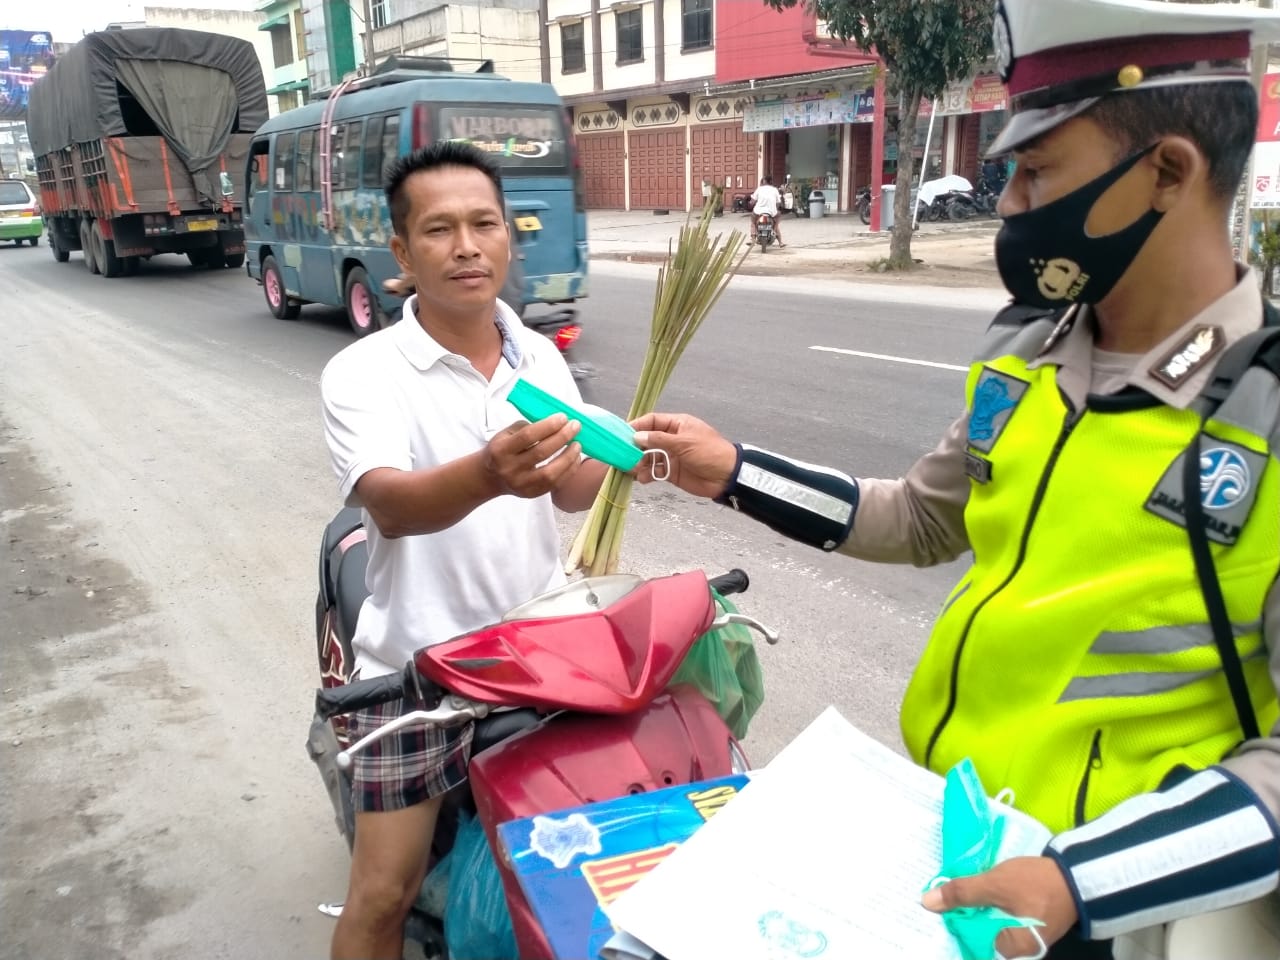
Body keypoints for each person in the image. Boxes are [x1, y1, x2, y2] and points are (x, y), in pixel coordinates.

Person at [631, 1, 1280, 957]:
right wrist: (732, 472)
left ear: (1168, 174)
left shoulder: (1260, 407)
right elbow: (923, 520)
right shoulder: (1027, 352)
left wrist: (1078, 883)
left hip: (1128, 909)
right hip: (954, 847)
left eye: (1038, 169)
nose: (1009, 202)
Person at [320, 141, 608, 960]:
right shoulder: (363, 371)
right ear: (404, 254)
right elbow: (390, 504)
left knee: (577, 863)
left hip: (541, 653)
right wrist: (487, 472)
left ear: (509, 236)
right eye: (440, 230)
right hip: (417, 668)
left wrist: (633, 460)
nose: (467, 246)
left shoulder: (540, 354)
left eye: (484, 224)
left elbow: (571, 489)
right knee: (382, 897)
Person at [749, 174, 784, 246]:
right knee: (776, 222)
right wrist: (775, 208)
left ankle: (753, 240)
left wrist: (750, 203)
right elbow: (778, 203)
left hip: (758, 212)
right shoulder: (775, 190)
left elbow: (752, 202)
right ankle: (780, 242)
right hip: (771, 212)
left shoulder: (759, 189)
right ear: (771, 181)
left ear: (764, 181)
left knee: (753, 223)